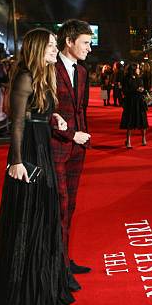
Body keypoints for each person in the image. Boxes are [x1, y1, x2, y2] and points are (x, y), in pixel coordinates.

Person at [0, 28, 74, 305]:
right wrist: (17, 161)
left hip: (42, 148)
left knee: (45, 213)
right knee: (27, 216)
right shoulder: (24, 76)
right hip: (29, 153)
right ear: (36, 48)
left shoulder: (43, 76)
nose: (54, 49)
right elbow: (18, 124)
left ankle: (41, 282)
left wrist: (53, 116)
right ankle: (22, 289)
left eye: (55, 44)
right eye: (50, 45)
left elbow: (37, 114)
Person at [51, 19, 93, 290]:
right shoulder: (50, 70)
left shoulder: (83, 72)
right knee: (59, 208)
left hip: (78, 148)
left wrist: (82, 136)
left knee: (71, 206)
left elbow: (80, 109)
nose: (90, 48)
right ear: (69, 41)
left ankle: (64, 261)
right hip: (56, 147)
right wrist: (70, 134)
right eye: (85, 43)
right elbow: (43, 112)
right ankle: (56, 268)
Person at [120, 64, 149, 148]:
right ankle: (128, 141)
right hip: (131, 102)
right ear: (133, 70)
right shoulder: (126, 79)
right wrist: (136, 90)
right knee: (131, 121)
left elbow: (143, 88)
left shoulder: (139, 78)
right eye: (137, 68)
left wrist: (143, 90)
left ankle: (143, 139)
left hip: (139, 101)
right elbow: (125, 91)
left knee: (142, 121)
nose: (139, 70)